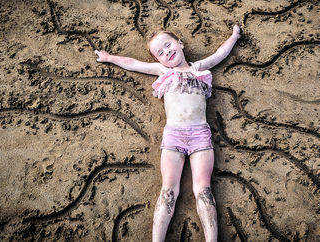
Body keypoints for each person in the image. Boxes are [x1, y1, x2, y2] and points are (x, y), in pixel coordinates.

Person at [95, 23, 241, 242]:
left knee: (203, 187)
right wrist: (110, 57)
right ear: (158, 60)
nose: (167, 52)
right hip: (173, 135)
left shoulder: (197, 67)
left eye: (168, 45)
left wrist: (234, 36)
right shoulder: (163, 71)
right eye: (160, 53)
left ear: (179, 43)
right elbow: (134, 64)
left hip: (200, 135)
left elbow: (219, 54)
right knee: (168, 189)